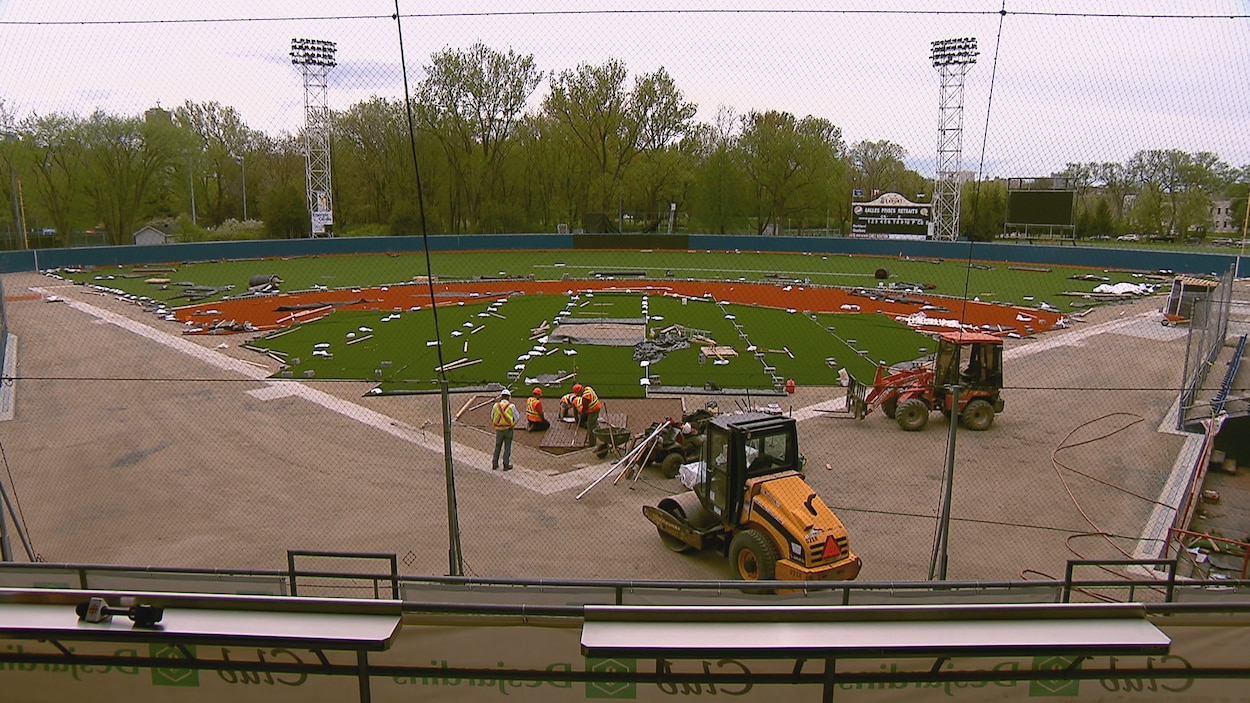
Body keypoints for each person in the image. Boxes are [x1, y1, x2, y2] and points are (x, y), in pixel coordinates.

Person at [490, 388, 517, 471]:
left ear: (501, 397)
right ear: (509, 397)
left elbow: (492, 416)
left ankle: (495, 463)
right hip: (508, 429)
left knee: (497, 446)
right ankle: (506, 464)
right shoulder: (511, 406)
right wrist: (512, 424)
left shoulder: (496, 406)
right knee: (507, 447)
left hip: (499, 429)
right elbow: (517, 417)